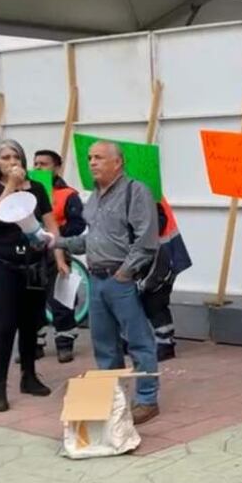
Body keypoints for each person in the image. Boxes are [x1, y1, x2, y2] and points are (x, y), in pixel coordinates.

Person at [54, 141, 160, 424]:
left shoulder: (135, 191)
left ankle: (147, 399)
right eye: (90, 158)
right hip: (96, 278)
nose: (92, 162)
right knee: (104, 344)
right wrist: (58, 242)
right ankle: (114, 398)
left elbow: (147, 240)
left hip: (121, 279)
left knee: (139, 342)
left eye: (99, 158)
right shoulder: (95, 198)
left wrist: (125, 273)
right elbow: (90, 240)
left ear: (118, 163)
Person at [0, 140, 63, 412]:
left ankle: (29, 376)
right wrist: (11, 185)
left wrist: (58, 254)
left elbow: (50, 222)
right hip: (4, 266)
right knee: (5, 326)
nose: (11, 161)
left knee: (31, 324)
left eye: (16, 156)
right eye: (5, 157)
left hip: (34, 265)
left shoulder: (37, 188)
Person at [32, 149, 86, 363]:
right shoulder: (27, 190)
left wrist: (58, 232)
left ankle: (64, 344)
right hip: (31, 255)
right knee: (31, 300)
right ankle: (33, 344)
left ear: (57, 167)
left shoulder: (68, 194)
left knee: (61, 299)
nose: (38, 168)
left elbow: (79, 224)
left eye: (43, 164)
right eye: (36, 163)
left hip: (58, 251)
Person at [140, 196, 191, 362]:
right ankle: (157, 340)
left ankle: (165, 343)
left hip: (163, 259)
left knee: (156, 303)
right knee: (148, 302)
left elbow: (158, 224)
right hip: (157, 259)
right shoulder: (140, 192)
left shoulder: (149, 194)